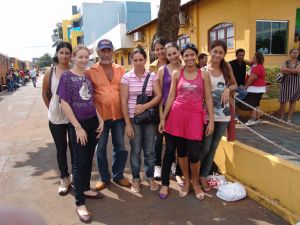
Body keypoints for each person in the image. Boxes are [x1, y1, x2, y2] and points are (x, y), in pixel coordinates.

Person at [159, 43, 214, 200]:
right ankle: (187, 181)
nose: (189, 58)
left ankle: (196, 182)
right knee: (181, 152)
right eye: (186, 55)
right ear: (182, 57)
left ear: (196, 56)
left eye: (192, 54)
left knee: (195, 153)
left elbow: (208, 97)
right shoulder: (177, 73)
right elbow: (170, 97)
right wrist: (163, 118)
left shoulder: (204, 75)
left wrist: (211, 121)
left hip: (195, 117)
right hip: (177, 115)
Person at [57, 45, 104, 223]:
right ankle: (80, 203)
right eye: (80, 57)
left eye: (86, 57)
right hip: (79, 125)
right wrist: (77, 127)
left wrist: (100, 119)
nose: (84, 60)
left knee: (88, 158)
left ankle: (84, 188)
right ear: (73, 58)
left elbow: (91, 101)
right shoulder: (67, 76)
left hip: (92, 122)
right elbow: (64, 103)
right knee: (80, 162)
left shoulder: (86, 76)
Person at [86, 39, 130, 191]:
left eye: (108, 50)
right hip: (100, 118)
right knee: (101, 148)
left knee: (121, 147)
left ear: (113, 52)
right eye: (102, 51)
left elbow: (127, 92)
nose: (105, 54)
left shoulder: (121, 70)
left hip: (118, 116)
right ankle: (104, 177)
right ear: (98, 52)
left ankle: (118, 175)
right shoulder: (90, 71)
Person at [120, 46, 162, 193]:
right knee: (136, 151)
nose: (138, 62)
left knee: (149, 151)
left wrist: (144, 106)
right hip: (133, 120)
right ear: (132, 60)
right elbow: (123, 101)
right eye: (135, 60)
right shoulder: (126, 77)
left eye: (141, 59)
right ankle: (136, 179)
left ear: (145, 60)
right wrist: (127, 124)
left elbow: (158, 96)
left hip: (149, 119)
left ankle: (150, 177)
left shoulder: (152, 76)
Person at [199, 40, 237, 192]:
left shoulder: (226, 67)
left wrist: (228, 89)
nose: (218, 55)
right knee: (205, 146)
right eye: (215, 51)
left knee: (214, 147)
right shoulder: (203, 70)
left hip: (224, 115)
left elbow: (235, 84)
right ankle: (194, 175)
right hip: (208, 116)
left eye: (221, 52)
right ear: (210, 51)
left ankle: (203, 176)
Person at [42, 42, 74, 195]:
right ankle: (64, 177)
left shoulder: (75, 70)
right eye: (61, 52)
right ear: (57, 54)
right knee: (61, 149)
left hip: (74, 117)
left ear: (71, 55)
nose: (64, 56)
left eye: (67, 53)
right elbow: (45, 93)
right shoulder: (50, 71)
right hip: (56, 118)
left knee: (75, 148)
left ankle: (75, 176)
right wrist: (52, 108)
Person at [157, 42, 184, 199]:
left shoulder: (187, 68)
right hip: (168, 114)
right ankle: (165, 184)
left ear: (179, 52)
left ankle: (180, 175)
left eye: (175, 53)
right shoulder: (162, 70)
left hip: (184, 115)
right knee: (169, 150)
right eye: (169, 54)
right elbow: (160, 96)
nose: (173, 56)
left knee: (182, 149)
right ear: (165, 56)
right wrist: (162, 118)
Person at [149, 37, 168, 180]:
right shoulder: (151, 67)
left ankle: (172, 162)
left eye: (162, 48)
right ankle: (157, 165)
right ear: (154, 51)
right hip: (156, 106)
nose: (160, 51)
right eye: (157, 49)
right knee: (158, 138)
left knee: (172, 138)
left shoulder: (175, 63)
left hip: (172, 106)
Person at [240, 52, 266, 126]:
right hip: (258, 89)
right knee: (256, 104)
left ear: (257, 59)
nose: (252, 59)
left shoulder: (256, 67)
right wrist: (241, 58)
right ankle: (257, 119)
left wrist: (245, 86)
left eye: (253, 58)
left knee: (251, 105)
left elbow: (251, 78)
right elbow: (248, 62)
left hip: (254, 89)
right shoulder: (257, 65)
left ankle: (252, 119)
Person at [279, 48, 300, 122]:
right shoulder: (286, 62)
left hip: (296, 84)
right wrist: (293, 71)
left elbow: (298, 70)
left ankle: (289, 118)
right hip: (285, 83)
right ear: (290, 53)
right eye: (294, 53)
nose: (295, 54)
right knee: (283, 101)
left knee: (293, 101)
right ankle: (281, 117)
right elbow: (282, 70)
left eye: (297, 53)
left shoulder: (299, 63)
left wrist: (287, 70)